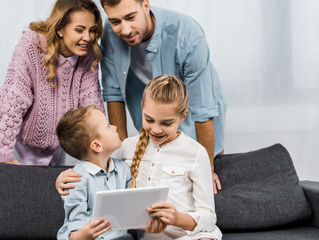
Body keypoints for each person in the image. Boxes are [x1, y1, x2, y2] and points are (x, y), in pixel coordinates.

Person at [58, 75, 222, 240]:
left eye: (166, 123)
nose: (156, 130)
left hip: (190, 235)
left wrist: (177, 218)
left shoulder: (196, 153)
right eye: (149, 119)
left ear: (183, 116)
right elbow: (93, 162)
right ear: (141, 109)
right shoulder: (126, 148)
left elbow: (208, 218)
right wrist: (62, 178)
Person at [99, 0, 226, 193]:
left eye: (131, 17)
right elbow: (113, 94)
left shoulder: (188, 34)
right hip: (154, 130)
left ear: (146, 5)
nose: (125, 30)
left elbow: (203, 109)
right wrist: (121, 162)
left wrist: (206, 169)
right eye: (115, 21)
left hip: (197, 121)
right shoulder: (109, 32)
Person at [0, 0, 104, 165]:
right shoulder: (31, 45)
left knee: (53, 190)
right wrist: (4, 157)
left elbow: (92, 107)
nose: (87, 38)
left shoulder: (88, 55)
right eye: (79, 30)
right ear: (60, 28)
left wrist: (95, 157)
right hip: (22, 147)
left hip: (57, 149)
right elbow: (14, 103)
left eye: (92, 30)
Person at [56, 105, 166, 240]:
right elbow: (75, 227)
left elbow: (128, 213)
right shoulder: (75, 179)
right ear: (97, 146)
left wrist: (148, 224)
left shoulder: (123, 170)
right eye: (108, 126)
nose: (114, 127)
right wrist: (83, 236)